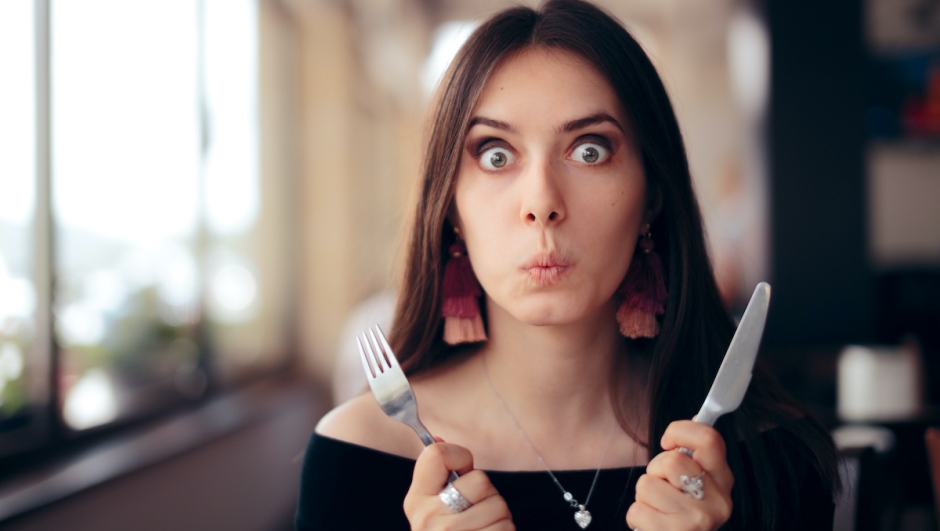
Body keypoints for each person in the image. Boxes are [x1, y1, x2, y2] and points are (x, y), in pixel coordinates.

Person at [295, 1, 839, 529]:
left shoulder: (770, 456)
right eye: (495, 155)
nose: (541, 202)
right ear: (451, 210)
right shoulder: (358, 455)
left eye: (589, 150)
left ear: (651, 195)